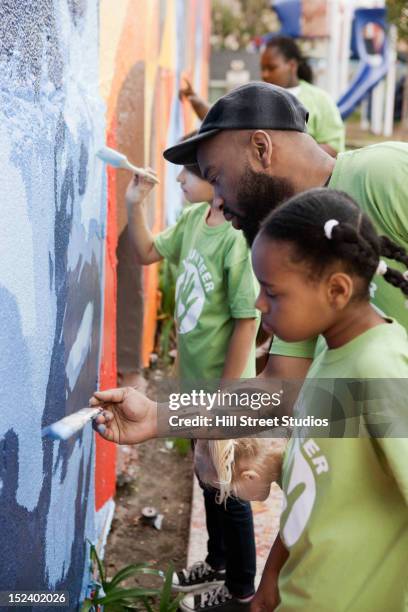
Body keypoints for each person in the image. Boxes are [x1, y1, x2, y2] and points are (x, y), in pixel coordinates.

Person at [93, 83, 408, 609]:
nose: (218, 199)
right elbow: (278, 392)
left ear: (262, 148)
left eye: (218, 176)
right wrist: (162, 415)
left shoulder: (382, 176)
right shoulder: (307, 296)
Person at [124, 150, 259, 611]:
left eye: (190, 171)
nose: (179, 178)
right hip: (195, 389)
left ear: (218, 179)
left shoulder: (236, 242)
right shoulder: (191, 222)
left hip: (224, 391)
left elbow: (246, 320)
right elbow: (144, 252)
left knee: (230, 490)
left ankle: (241, 591)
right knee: (207, 479)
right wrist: (134, 204)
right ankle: (217, 562)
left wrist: (225, 398)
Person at [180, 37, 344, 157]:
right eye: (262, 68)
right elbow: (221, 121)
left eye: (272, 68)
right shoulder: (256, 96)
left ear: (292, 65)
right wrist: (194, 99)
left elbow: (334, 148)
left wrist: (286, 153)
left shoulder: (321, 101)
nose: (265, 74)